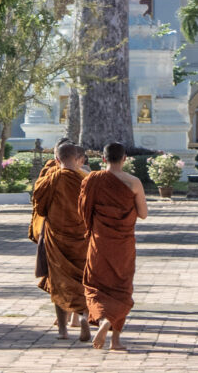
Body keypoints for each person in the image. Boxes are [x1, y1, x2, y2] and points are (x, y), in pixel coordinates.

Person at [79, 142, 148, 352]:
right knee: (122, 288)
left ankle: (103, 320)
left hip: (100, 243)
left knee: (95, 286)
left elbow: (83, 211)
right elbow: (143, 214)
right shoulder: (133, 182)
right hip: (123, 245)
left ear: (103, 159)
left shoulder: (93, 179)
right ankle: (115, 339)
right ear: (124, 159)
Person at [31, 143, 91, 341]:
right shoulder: (86, 179)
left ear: (57, 159)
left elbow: (40, 208)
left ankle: (63, 330)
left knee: (59, 282)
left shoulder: (51, 179)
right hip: (82, 238)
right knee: (83, 280)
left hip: (56, 238)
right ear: (78, 159)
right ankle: (83, 317)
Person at [28, 137, 72, 244]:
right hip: (51, 222)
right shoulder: (49, 170)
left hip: (73, 223)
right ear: (56, 153)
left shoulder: (78, 173)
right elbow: (39, 197)